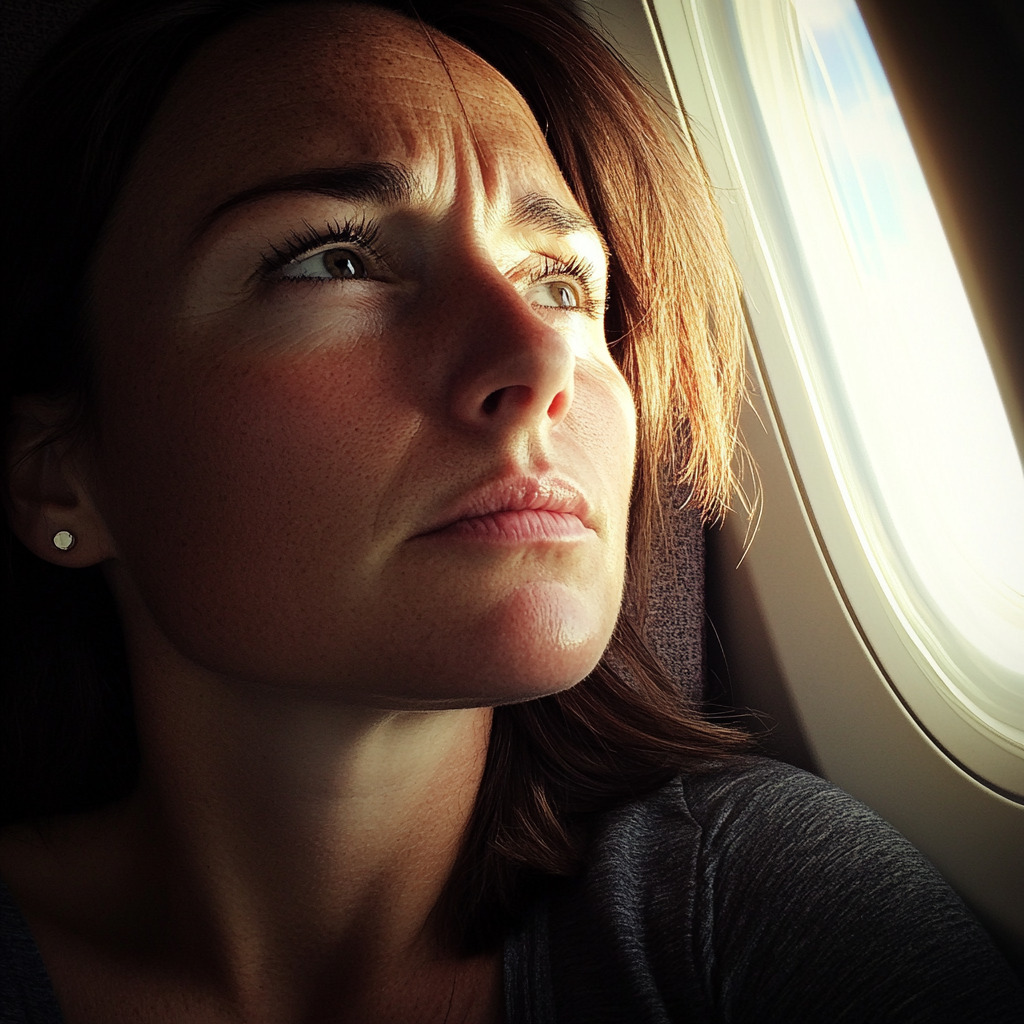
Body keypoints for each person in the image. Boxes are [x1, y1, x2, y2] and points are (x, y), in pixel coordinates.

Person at [1, 1, 1021, 1021]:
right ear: (59, 473)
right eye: (332, 261)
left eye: (563, 283)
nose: (539, 359)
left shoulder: (758, 908)